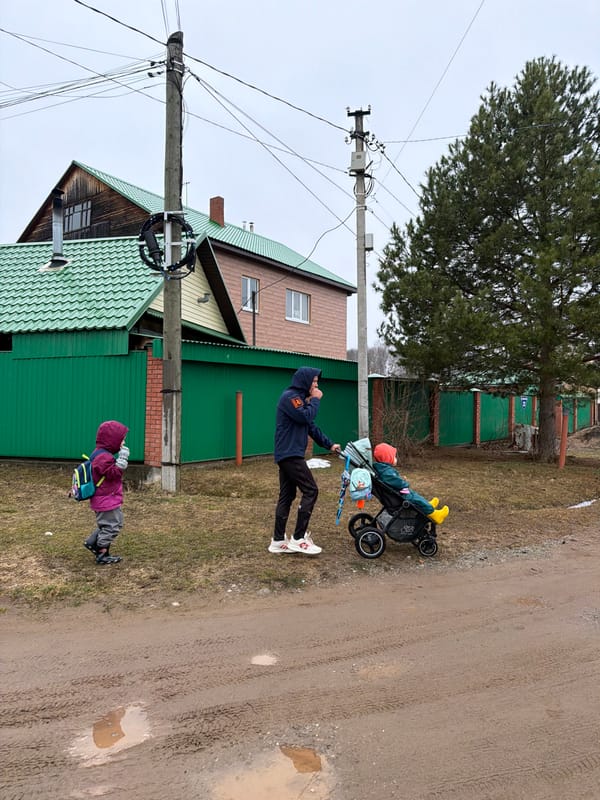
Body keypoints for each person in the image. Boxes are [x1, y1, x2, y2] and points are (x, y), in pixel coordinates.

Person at [270, 367, 341, 555]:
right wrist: (316, 399)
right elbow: (305, 416)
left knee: (287, 495)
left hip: (288, 454)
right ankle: (298, 539)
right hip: (290, 454)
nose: (317, 385)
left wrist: (329, 445)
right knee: (311, 490)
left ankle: (278, 541)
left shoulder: (300, 400)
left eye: (317, 382)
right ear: (304, 381)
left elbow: (310, 426)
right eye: (314, 381)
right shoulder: (290, 397)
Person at [83, 420, 130, 565]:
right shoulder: (103, 457)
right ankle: (102, 551)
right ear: (112, 440)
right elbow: (114, 474)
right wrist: (122, 459)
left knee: (113, 522)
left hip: (106, 497)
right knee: (112, 525)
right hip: (105, 498)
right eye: (121, 439)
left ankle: (92, 541)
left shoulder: (101, 454)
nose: (123, 442)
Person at [372, 442, 449, 525]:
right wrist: (404, 483)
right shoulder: (386, 471)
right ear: (388, 458)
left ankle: (427, 505)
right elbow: (397, 482)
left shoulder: (382, 469)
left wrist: (401, 481)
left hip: (396, 494)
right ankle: (434, 514)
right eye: (394, 457)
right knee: (416, 498)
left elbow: (393, 480)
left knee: (415, 495)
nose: (396, 458)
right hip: (400, 496)